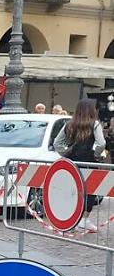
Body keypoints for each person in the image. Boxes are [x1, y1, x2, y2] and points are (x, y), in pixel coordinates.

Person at [54, 99, 105, 232]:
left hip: (72, 161)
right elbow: (101, 143)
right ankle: (84, 219)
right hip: (89, 161)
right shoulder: (95, 124)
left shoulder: (69, 124)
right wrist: (96, 155)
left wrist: (64, 153)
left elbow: (57, 143)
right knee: (91, 189)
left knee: (72, 190)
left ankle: (69, 220)